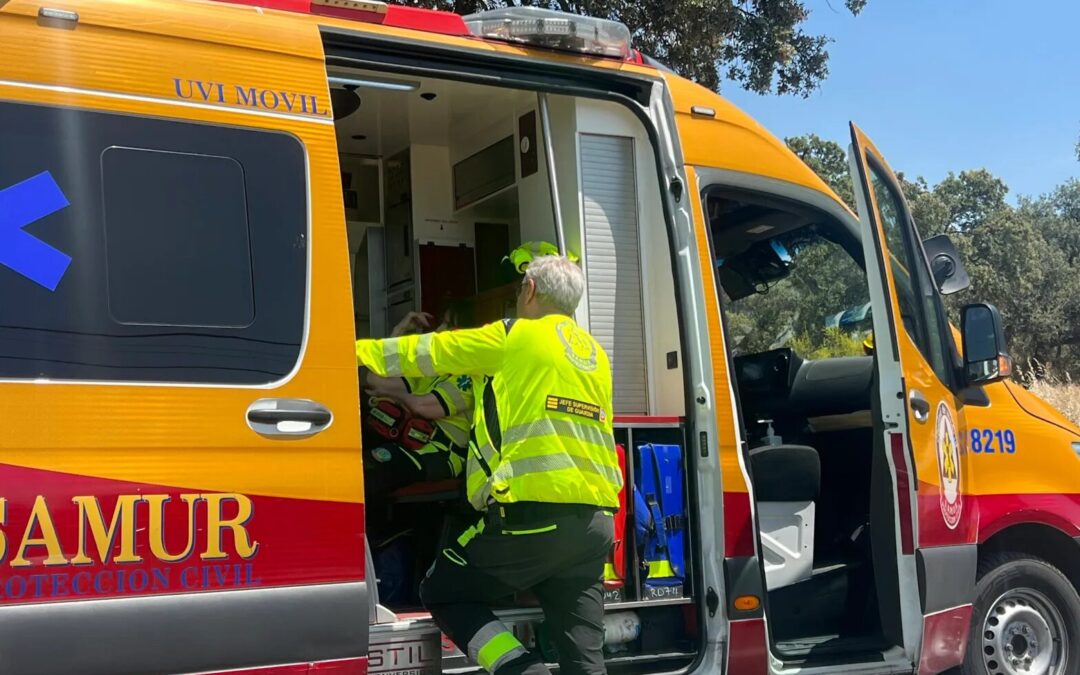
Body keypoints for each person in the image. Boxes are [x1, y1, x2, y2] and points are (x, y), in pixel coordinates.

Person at [356, 254, 620, 675]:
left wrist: (344, 351)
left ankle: (521, 670)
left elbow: (428, 352)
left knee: (444, 592)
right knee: (585, 659)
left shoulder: (515, 335)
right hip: (595, 524)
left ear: (530, 290)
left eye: (520, 290)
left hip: (533, 515)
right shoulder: (594, 356)